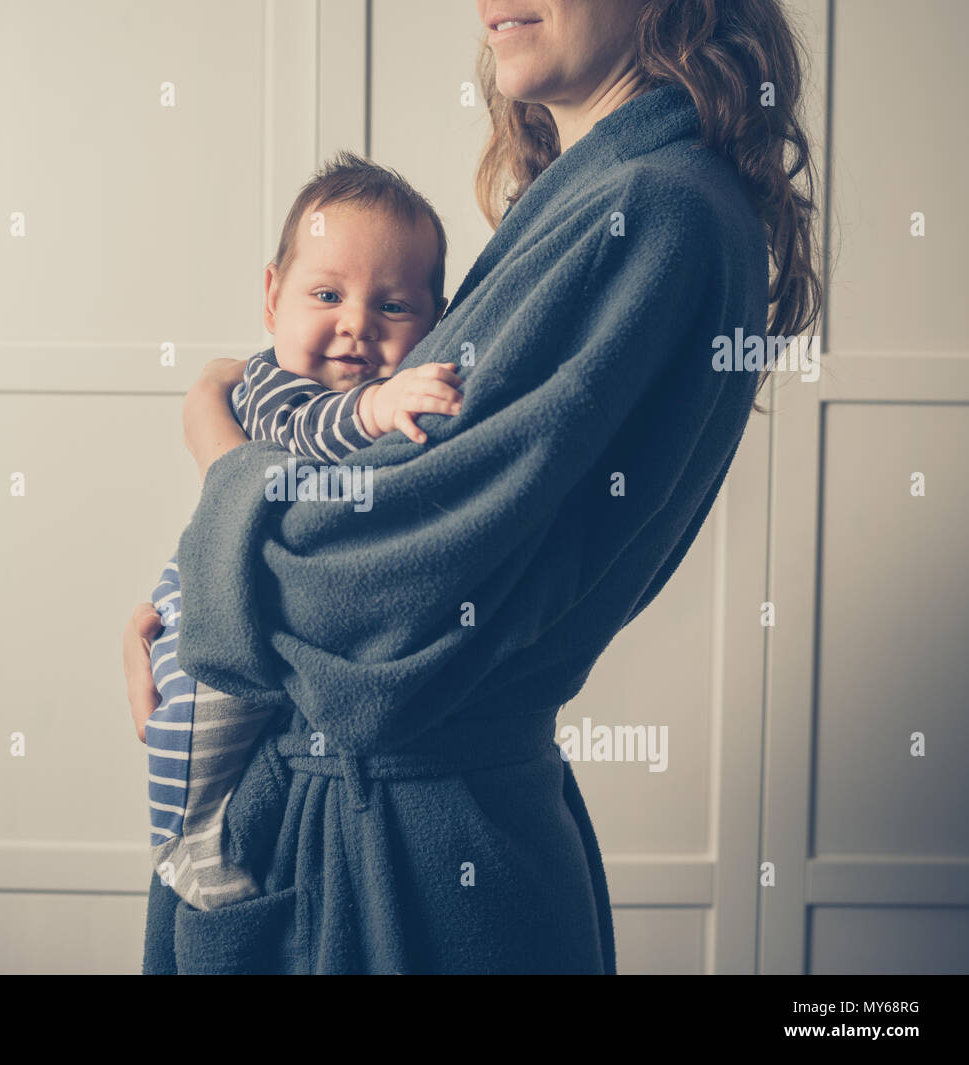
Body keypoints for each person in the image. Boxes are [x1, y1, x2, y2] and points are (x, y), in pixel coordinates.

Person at [122, 0, 822, 974]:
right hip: (374, 828)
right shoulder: (592, 202)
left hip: (407, 864)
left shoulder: (652, 210)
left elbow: (362, 599)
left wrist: (216, 460)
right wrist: (196, 619)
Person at [146, 152, 463, 911]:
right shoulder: (268, 384)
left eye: (393, 307)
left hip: (264, 615)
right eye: (326, 294)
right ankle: (183, 842)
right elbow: (308, 432)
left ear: (437, 321)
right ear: (271, 295)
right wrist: (376, 410)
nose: (355, 324)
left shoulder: (398, 401)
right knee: (200, 725)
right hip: (207, 603)